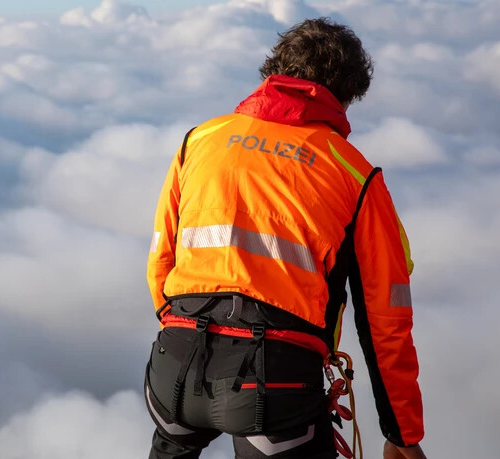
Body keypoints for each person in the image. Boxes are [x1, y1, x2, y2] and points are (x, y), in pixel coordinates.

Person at [143, 18, 426, 459]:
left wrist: (184, 329)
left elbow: (161, 259)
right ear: (345, 94)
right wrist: (401, 434)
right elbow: (385, 318)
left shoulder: (200, 140)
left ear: (273, 72)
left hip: (173, 367)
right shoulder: (355, 174)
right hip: (275, 383)